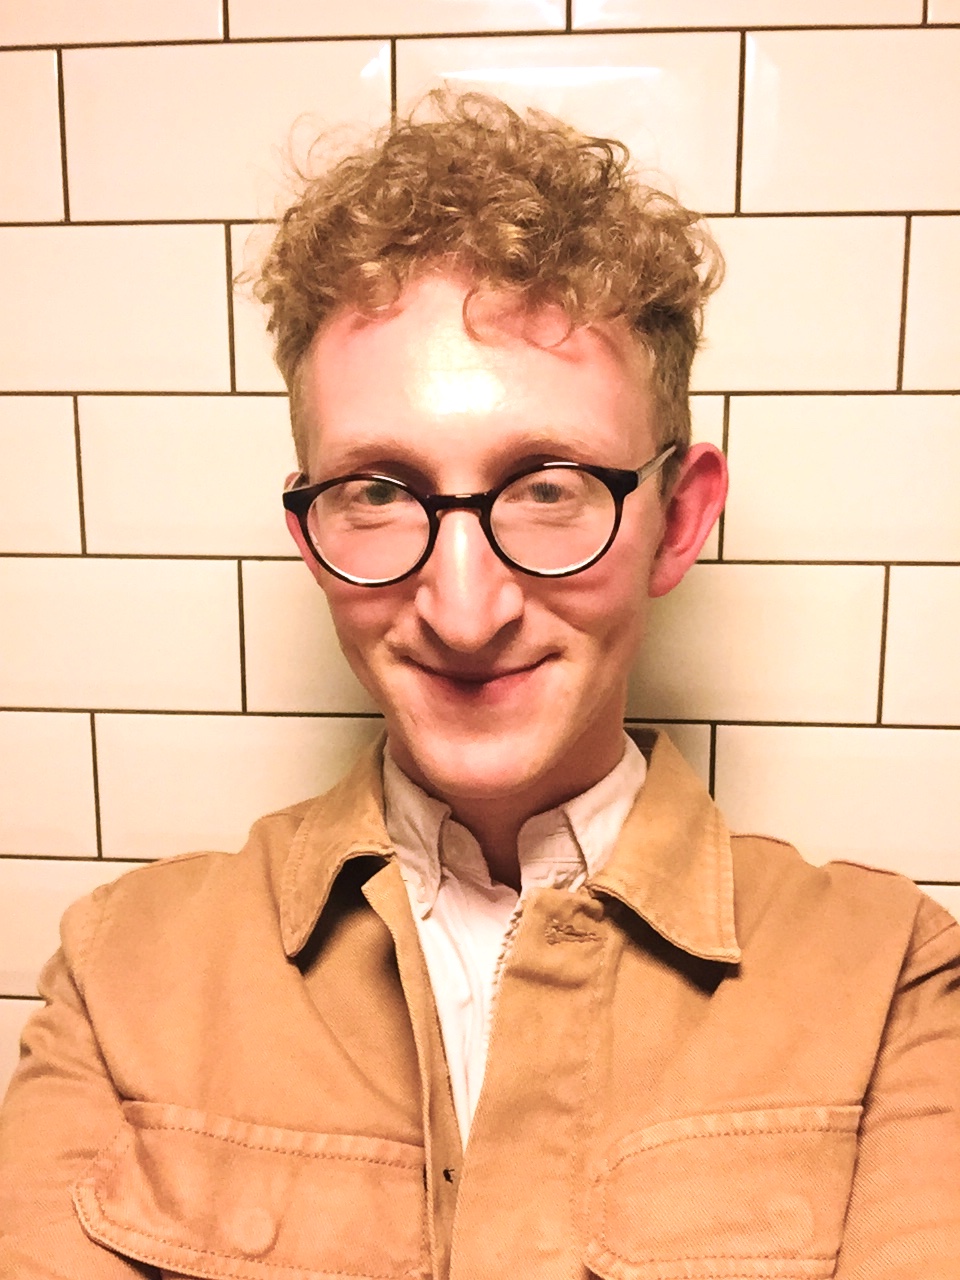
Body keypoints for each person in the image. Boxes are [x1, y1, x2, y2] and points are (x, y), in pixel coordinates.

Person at [0, 92, 958, 1279]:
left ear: (681, 519)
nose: (465, 609)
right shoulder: (122, 974)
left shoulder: (891, 987)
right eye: (383, 490)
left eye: (550, 487)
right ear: (310, 532)